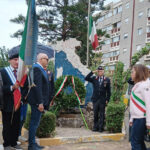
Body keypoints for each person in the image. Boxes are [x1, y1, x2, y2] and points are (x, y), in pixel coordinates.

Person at [0, 48, 23, 150]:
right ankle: (7, 144)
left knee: (16, 124)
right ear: (9, 60)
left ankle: (14, 142)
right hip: (7, 103)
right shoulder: (3, 71)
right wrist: (11, 87)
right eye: (15, 60)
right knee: (7, 124)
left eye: (18, 60)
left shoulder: (21, 73)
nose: (17, 62)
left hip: (18, 102)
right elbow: (1, 87)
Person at [27, 53, 50, 150]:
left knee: (35, 123)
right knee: (34, 123)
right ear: (41, 59)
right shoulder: (37, 68)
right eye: (47, 59)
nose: (48, 61)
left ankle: (33, 144)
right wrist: (40, 102)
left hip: (39, 101)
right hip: (37, 102)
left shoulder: (39, 69)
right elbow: (37, 88)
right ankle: (31, 145)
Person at [130, 64, 150, 150]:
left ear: (139, 73)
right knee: (139, 141)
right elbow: (133, 105)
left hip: (142, 118)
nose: (131, 74)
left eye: (133, 72)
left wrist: (148, 122)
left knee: (135, 143)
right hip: (137, 118)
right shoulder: (138, 85)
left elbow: (148, 104)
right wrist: (131, 119)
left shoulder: (144, 85)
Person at [85, 66, 111, 132]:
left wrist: (107, 99)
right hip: (95, 99)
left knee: (102, 114)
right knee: (95, 114)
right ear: (97, 72)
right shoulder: (94, 78)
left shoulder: (107, 79)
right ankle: (95, 127)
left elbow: (109, 91)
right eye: (99, 71)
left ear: (103, 71)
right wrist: (92, 72)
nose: (100, 72)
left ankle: (100, 128)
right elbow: (86, 78)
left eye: (101, 71)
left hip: (102, 100)